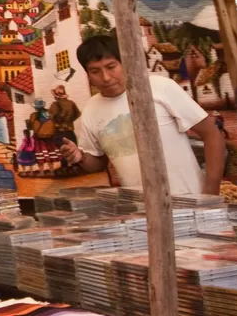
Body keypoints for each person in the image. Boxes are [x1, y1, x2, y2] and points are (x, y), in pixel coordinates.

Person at [60, 34, 226, 196]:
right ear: (88, 75)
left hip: (189, 200)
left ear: (124, 63)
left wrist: (210, 192)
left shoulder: (160, 87)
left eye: (111, 67)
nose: (106, 77)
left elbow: (211, 133)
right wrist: (81, 157)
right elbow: (98, 163)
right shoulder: (91, 109)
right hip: (139, 207)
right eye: (95, 71)